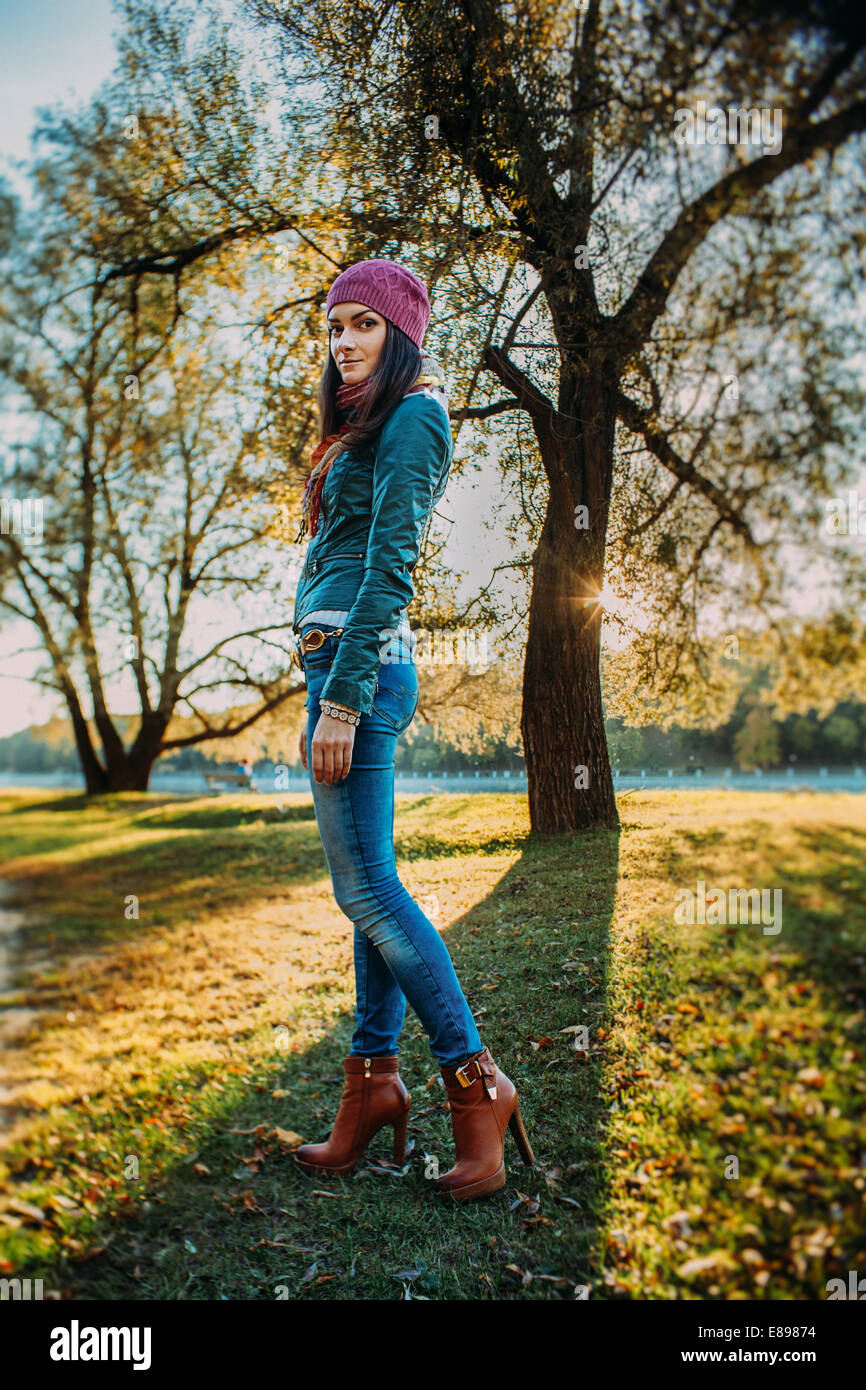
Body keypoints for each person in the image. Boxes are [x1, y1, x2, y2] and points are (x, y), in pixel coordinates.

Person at [289, 258, 535, 1202]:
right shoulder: (358, 426)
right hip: (337, 663)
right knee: (366, 891)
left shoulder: (416, 416)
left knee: (372, 892)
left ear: (400, 334)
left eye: (363, 324)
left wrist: (343, 698)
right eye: (335, 325)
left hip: (360, 670)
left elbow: (392, 566)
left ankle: (478, 1089)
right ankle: (373, 1088)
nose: (344, 342)